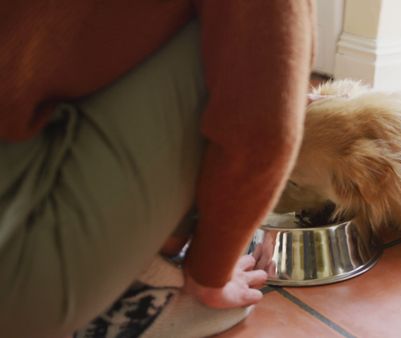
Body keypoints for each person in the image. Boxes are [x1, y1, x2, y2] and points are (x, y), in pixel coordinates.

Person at [0, 1, 315, 337]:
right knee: (244, 45)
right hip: (20, 281)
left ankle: (149, 251)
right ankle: (141, 295)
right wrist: (211, 275)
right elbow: (264, 129)